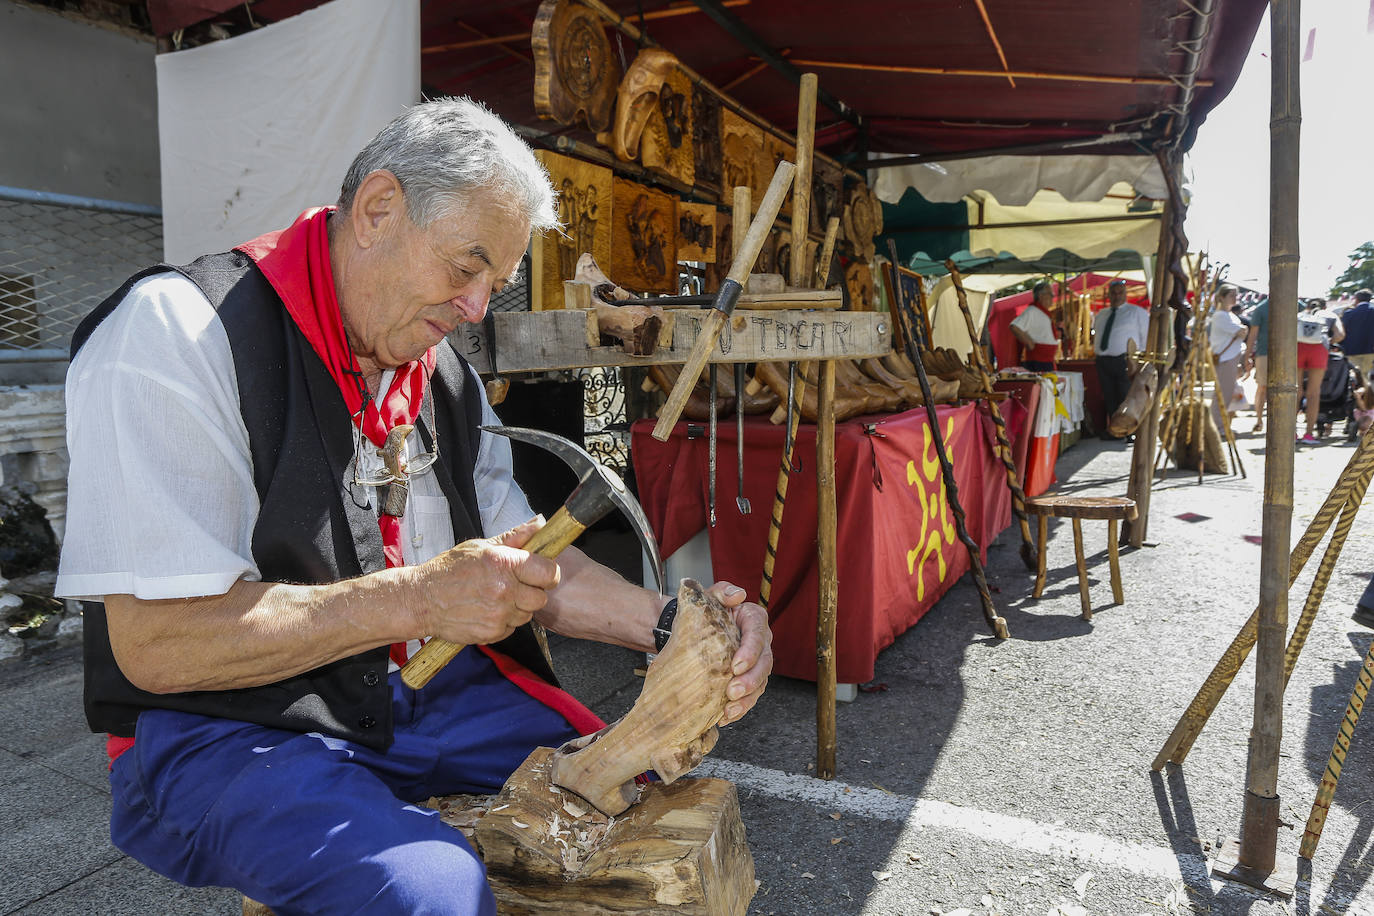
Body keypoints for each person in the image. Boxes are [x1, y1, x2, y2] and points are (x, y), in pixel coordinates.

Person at [54, 97, 774, 915]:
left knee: (640, 793)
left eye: (493, 285)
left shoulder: (445, 377)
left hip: (416, 698)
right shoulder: (179, 335)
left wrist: (676, 629)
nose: (475, 308)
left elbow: (531, 562)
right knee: (429, 892)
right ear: (378, 210)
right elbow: (158, 646)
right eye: (465, 268)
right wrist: (420, 598)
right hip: (224, 726)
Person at [1091, 278, 1150, 437]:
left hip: (1125, 360)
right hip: (1103, 360)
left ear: (1125, 294)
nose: (1117, 296)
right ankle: (1115, 430)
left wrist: (1141, 361)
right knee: (1109, 395)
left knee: (1126, 395)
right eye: (1114, 293)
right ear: (1109, 295)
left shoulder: (1137, 312)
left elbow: (1145, 337)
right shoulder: (1102, 314)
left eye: (1120, 293)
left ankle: (1129, 430)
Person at [1297, 297, 1344, 443]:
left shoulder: (1299, 315)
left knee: (1294, 391)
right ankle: (1309, 434)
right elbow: (1340, 335)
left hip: (1298, 347)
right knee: (1313, 393)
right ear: (1325, 306)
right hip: (1319, 349)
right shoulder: (1330, 315)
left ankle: (1290, 432)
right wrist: (1328, 342)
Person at [1207, 284, 1247, 434]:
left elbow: (1242, 332)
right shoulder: (1220, 316)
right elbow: (1241, 331)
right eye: (1231, 295)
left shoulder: (1231, 315)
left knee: (1228, 393)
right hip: (1225, 359)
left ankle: (1221, 425)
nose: (1235, 298)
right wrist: (1240, 331)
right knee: (1222, 395)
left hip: (1232, 357)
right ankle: (1217, 426)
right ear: (1222, 297)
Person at [1009, 280, 1060, 372]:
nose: (1053, 297)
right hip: (1038, 361)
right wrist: (1029, 342)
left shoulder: (1043, 312)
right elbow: (1014, 326)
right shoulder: (1032, 311)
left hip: (1046, 360)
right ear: (1041, 296)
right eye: (1050, 294)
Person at [1243, 296, 1270, 433]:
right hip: (1264, 353)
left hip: (1290, 354)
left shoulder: (1297, 305)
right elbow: (1252, 335)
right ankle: (1259, 419)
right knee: (1262, 387)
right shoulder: (1261, 309)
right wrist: (1247, 356)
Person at [1339, 289, 1374, 379]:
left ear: (1356, 299)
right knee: (1367, 376)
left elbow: (1342, 331)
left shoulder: (1349, 313)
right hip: (1371, 350)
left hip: (1351, 350)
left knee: (1356, 377)